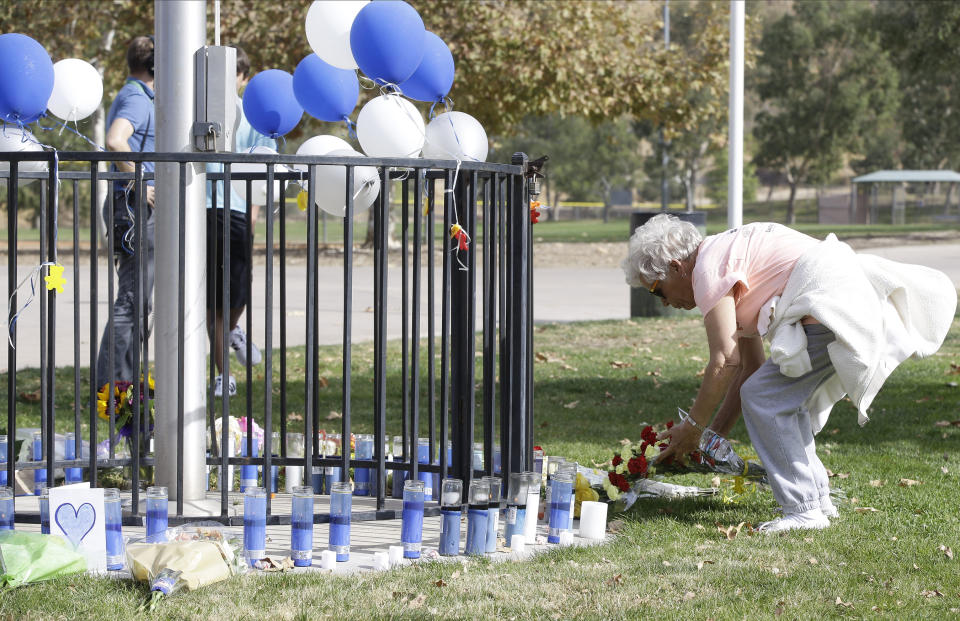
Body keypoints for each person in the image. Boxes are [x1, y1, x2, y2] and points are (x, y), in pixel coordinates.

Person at [621, 215, 956, 532]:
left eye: (657, 290)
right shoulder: (721, 256)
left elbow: (724, 360)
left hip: (830, 303)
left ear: (677, 268)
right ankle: (818, 501)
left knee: (765, 398)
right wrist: (711, 438)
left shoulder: (709, 269)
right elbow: (748, 367)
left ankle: (803, 510)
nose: (663, 302)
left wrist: (693, 429)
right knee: (772, 396)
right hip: (838, 302)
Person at [205, 46, 272, 397]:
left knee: (239, 292)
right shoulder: (199, 108)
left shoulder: (254, 114)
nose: (227, 81)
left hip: (239, 213)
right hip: (202, 210)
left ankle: (233, 330)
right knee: (213, 300)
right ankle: (223, 374)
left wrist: (253, 216)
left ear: (243, 78)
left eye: (235, 74)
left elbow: (263, 167)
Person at [96, 35, 156, 388]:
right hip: (133, 208)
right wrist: (138, 181)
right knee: (132, 301)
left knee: (137, 303)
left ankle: (126, 383)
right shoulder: (137, 98)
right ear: (154, 66)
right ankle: (110, 388)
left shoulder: (135, 94)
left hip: (129, 207)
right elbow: (116, 139)